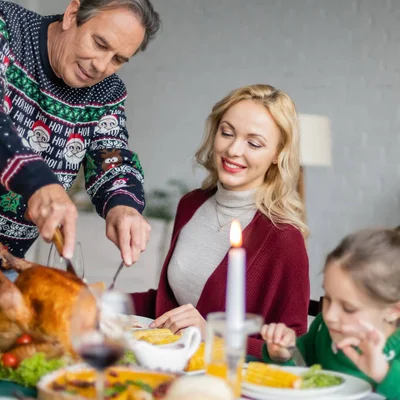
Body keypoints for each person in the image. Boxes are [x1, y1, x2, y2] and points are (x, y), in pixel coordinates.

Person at [0, 0, 160, 286]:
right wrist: (39, 181)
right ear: (72, 14)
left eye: (118, 59)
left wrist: (123, 205)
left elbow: (112, 157)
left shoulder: (107, 92)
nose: (101, 66)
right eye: (99, 43)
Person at [130, 84, 310, 358]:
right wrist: (102, 300)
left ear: (277, 154)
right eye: (227, 133)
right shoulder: (191, 205)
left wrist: (211, 335)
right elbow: (171, 305)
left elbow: (294, 350)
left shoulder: (283, 236)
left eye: (254, 143)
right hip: (170, 362)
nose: (233, 150)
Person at [261, 224, 400, 399]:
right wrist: (283, 355)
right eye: (327, 299)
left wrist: (386, 374)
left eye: (348, 308)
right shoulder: (323, 332)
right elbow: (302, 370)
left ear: (393, 310)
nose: (330, 315)